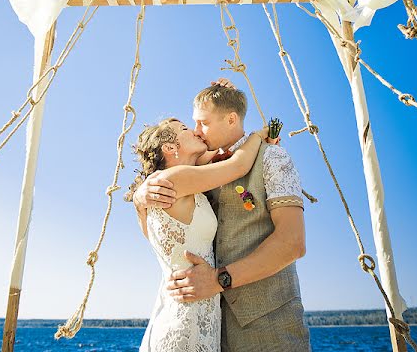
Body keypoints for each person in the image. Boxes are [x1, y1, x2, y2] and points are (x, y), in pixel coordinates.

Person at [133, 82, 310, 352]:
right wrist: (140, 196)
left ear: (230, 119)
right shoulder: (198, 171)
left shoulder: (272, 157)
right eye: (193, 124)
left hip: (269, 327)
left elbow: (292, 243)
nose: (196, 131)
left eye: (202, 123)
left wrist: (219, 280)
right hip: (210, 327)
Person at [126, 118, 274, 352]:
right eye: (185, 129)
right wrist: (258, 135)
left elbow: (218, 153)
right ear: (170, 148)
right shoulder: (174, 180)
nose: (195, 131)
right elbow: (237, 165)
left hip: (189, 314)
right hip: (184, 324)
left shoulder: (167, 187)